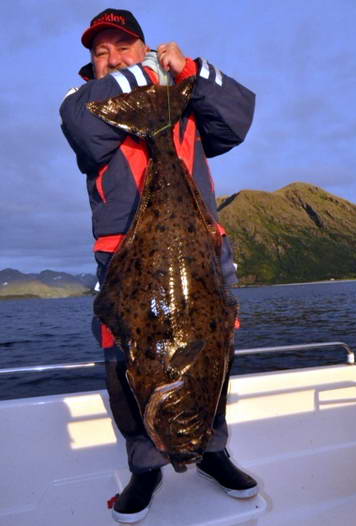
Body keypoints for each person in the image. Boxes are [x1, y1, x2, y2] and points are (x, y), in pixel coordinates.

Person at [60, 8, 257, 524]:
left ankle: (212, 450)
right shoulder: (82, 103)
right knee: (124, 368)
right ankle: (145, 466)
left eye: (123, 47)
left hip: (202, 260)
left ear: (145, 47)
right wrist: (147, 71)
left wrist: (188, 68)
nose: (111, 58)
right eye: (100, 53)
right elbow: (82, 128)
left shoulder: (185, 100)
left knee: (213, 353)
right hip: (125, 263)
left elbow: (237, 117)